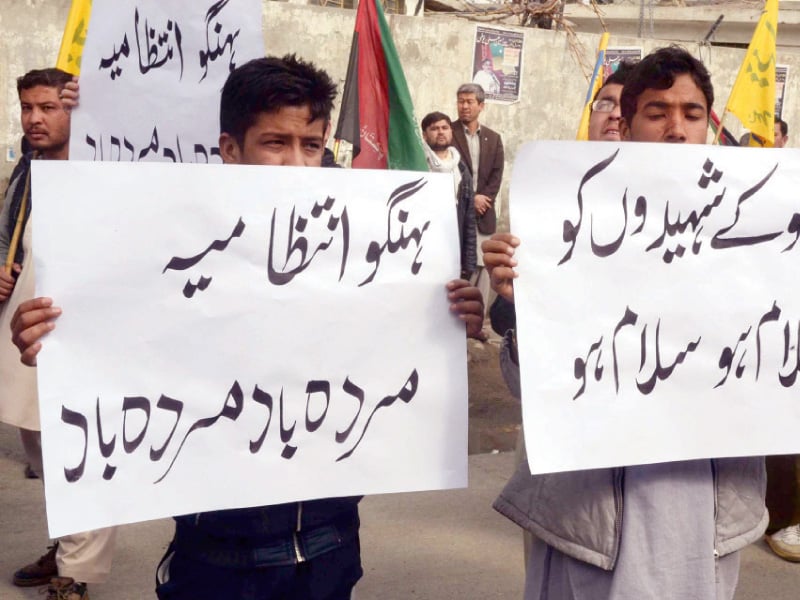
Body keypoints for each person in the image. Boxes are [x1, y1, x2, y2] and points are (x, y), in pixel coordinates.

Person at [10, 54, 485, 600]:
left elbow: (396, 350)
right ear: (230, 149)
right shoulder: (177, 253)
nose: (298, 166)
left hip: (330, 549)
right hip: (214, 558)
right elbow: (121, 348)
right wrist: (60, 342)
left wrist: (451, 317)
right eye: (275, 144)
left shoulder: (359, 252)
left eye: (310, 145)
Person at [485, 46, 767, 599]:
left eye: (691, 114)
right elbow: (529, 388)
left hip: (703, 505)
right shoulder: (572, 222)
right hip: (591, 513)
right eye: (658, 112)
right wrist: (525, 306)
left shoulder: (759, 233)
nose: (677, 129)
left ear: (708, 126)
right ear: (629, 124)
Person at [0, 68, 117, 600]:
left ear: (76, 109)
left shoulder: (103, 162)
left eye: (49, 107)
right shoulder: (30, 165)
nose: (34, 118)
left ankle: (79, 570)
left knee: (83, 440)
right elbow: (12, 233)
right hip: (29, 313)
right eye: (28, 107)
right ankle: (65, 542)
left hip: (88, 315)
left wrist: (103, 108)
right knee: (37, 438)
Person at [451, 83, 505, 334]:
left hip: (484, 213)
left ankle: (477, 323)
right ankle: (455, 322)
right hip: (456, 211)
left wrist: (484, 199)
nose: (464, 106)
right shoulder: (447, 132)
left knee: (483, 268)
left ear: (481, 106)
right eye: (460, 101)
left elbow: (497, 174)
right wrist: (470, 198)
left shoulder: (493, 139)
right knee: (459, 264)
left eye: (469, 101)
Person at [421, 111, 477, 280]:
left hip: (452, 246)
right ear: (424, 135)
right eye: (434, 128)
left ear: (451, 132)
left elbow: (469, 217)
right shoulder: (418, 165)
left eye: (445, 128)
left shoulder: (461, 169)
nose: (440, 132)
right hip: (423, 246)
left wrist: (468, 263)